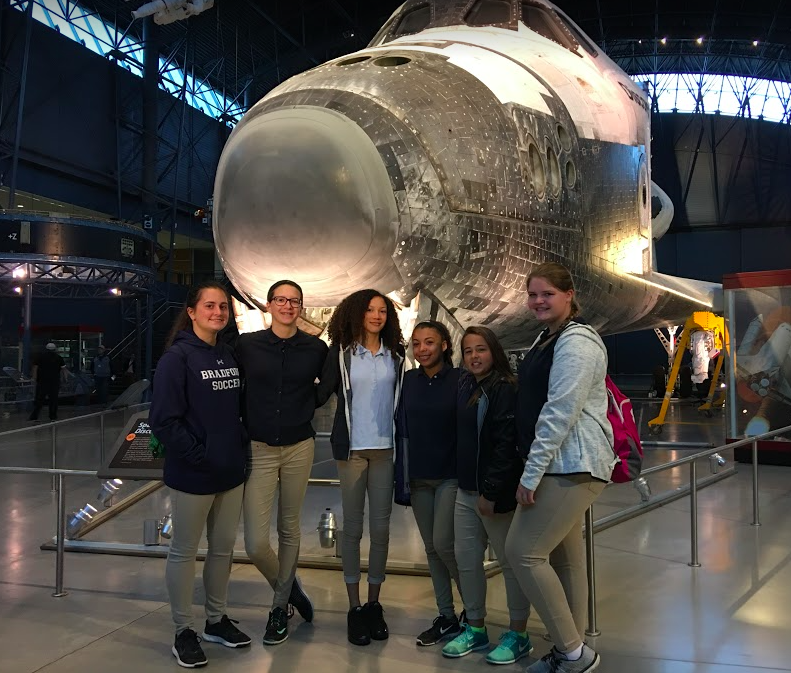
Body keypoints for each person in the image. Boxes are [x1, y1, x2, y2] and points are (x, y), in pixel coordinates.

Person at [505, 262, 614, 673]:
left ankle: (573, 654)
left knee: (523, 551)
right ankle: (572, 646)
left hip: (573, 463)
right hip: (560, 462)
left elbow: (560, 411)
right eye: (532, 294)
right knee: (566, 559)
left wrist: (530, 475)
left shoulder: (578, 340)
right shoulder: (546, 338)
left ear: (568, 295)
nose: (537, 301)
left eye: (547, 294)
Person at [149, 281, 251, 669]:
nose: (218, 312)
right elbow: (164, 420)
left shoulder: (226, 355)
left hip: (230, 473)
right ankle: (183, 630)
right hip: (194, 474)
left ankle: (215, 620)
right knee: (184, 551)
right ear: (191, 312)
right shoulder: (178, 359)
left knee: (222, 550)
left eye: (223, 306)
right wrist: (199, 455)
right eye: (209, 306)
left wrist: (235, 450)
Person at [235, 280, 328, 646]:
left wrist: (310, 404)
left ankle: (278, 608)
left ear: (301, 306)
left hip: (298, 446)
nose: (288, 306)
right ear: (269, 305)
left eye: (294, 301)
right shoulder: (248, 345)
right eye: (281, 300)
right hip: (258, 446)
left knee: (289, 528)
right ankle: (289, 588)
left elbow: (327, 385)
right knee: (256, 543)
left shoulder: (315, 348)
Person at [316, 289, 404, 647]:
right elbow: (319, 394)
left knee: (381, 531)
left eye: (383, 310)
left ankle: (374, 603)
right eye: (370, 309)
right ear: (357, 312)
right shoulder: (341, 355)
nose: (377, 315)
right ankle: (354, 608)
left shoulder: (396, 356)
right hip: (351, 452)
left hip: (385, 451)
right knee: (352, 532)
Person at [442, 326, 532, 665]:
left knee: (510, 565)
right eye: (468, 351)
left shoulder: (504, 389)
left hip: (493, 495)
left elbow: (506, 446)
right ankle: (476, 627)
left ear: (494, 351)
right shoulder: (468, 386)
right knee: (467, 563)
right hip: (465, 491)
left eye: (480, 349)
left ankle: (519, 634)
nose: (474, 356)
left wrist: (491, 493)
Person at [397, 320, 464, 647]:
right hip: (419, 477)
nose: (422, 349)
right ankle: (447, 615)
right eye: (417, 343)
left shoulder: (459, 379)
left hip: (450, 475)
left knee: (443, 544)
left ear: (445, 346)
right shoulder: (408, 381)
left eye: (430, 343)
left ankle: (474, 611)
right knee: (432, 550)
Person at [29, 343, 68, 421]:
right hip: (54, 382)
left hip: (42, 381)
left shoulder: (40, 357)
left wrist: (34, 378)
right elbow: (64, 370)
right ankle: (53, 416)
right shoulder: (59, 357)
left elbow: (35, 368)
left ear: (46, 348)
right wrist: (65, 379)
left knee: (39, 399)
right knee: (53, 399)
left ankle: (34, 416)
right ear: (55, 349)